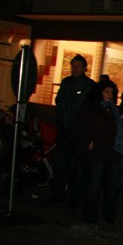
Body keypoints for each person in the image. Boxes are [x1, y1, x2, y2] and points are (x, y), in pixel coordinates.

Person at [71, 78, 123, 225]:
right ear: (99, 92)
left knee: (111, 187)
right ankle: (90, 215)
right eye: (107, 91)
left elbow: (116, 130)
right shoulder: (90, 108)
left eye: (112, 92)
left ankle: (109, 215)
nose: (110, 95)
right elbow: (77, 126)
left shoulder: (114, 110)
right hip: (96, 153)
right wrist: (88, 142)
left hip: (112, 154)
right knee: (93, 186)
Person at [52, 54, 94, 205]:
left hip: (79, 133)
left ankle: (75, 197)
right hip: (65, 131)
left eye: (78, 67)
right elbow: (60, 103)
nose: (75, 69)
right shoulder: (67, 82)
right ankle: (59, 194)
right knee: (61, 165)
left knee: (77, 167)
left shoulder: (89, 86)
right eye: (73, 66)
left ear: (84, 68)